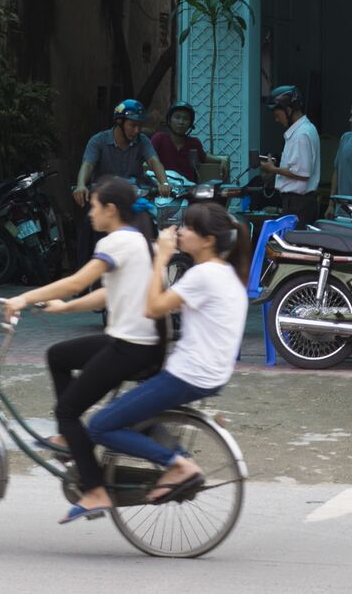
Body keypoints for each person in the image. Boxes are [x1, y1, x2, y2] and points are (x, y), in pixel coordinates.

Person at [0, 177, 163, 522]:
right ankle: (70, 439)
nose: (89, 213)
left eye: (93, 206)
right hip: (132, 341)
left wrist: (24, 298)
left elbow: (77, 281)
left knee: (69, 410)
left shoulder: (119, 240)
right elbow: (109, 294)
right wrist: (64, 308)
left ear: (111, 210)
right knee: (58, 355)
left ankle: (94, 490)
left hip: (130, 346)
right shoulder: (136, 240)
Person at [77, 202, 253, 516]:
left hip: (188, 375)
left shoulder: (204, 274)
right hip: (210, 373)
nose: (180, 232)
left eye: (187, 228)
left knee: (101, 426)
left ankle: (179, 463)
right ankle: (173, 459)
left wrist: (160, 257)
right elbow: (169, 304)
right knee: (133, 403)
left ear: (208, 240)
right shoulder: (225, 273)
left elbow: (153, 308)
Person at [72, 100, 171, 258]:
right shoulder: (98, 141)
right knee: (89, 228)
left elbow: (154, 161)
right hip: (105, 202)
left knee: (149, 227)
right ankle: (85, 275)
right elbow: (88, 165)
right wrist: (81, 185)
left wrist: (164, 183)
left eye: (140, 126)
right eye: (132, 125)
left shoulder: (143, 141)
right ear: (120, 122)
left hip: (133, 200)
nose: (137, 130)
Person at [259, 85, 320, 223]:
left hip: (299, 203)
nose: (276, 119)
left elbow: (302, 172)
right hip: (296, 202)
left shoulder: (301, 134)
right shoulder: (302, 130)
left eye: (277, 115)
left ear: (288, 109)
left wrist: (273, 169)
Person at [150, 101, 223, 182]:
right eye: (177, 117)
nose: (181, 122)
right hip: (165, 186)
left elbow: (204, 157)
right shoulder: (159, 138)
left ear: (190, 124)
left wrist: (221, 160)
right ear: (169, 121)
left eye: (185, 118)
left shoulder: (194, 143)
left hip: (188, 187)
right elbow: (149, 157)